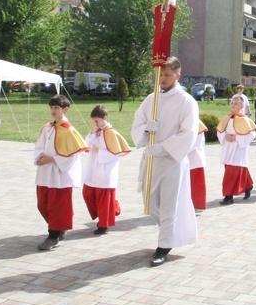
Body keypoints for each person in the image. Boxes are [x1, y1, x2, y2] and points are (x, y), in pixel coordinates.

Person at [131, 57, 199, 267]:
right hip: (152, 158)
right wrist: (145, 129)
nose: (163, 79)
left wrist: (165, 146)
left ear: (178, 75)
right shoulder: (151, 99)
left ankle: (163, 246)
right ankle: (172, 233)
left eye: (167, 75)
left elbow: (188, 132)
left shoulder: (186, 101)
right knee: (150, 204)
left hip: (171, 160)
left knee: (169, 205)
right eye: (160, 75)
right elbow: (138, 123)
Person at [34, 95, 87, 251]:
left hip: (59, 174)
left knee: (57, 206)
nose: (53, 111)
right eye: (51, 107)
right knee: (42, 204)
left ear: (65, 109)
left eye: (56, 108)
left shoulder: (69, 131)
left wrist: (53, 159)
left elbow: (72, 155)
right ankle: (58, 228)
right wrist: (40, 157)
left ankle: (53, 236)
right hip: (45, 172)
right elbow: (39, 146)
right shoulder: (47, 127)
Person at [82, 104, 130, 235]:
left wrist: (99, 151)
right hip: (93, 168)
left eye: (97, 120)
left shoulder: (111, 133)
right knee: (87, 193)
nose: (95, 123)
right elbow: (85, 144)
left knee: (104, 198)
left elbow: (116, 153)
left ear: (105, 118)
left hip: (105, 170)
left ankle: (104, 224)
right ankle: (112, 209)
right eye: (93, 121)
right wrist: (92, 131)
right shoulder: (95, 131)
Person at [217, 94, 256, 205]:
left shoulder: (245, 119)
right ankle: (248, 185)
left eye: (236, 103)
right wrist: (224, 136)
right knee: (235, 170)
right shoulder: (227, 118)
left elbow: (251, 134)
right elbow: (220, 131)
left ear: (241, 105)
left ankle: (228, 196)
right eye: (232, 103)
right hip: (228, 148)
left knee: (232, 172)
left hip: (238, 149)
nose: (233, 105)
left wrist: (237, 138)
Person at [187, 121, 208, 211]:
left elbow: (195, 142)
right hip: (183, 157)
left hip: (195, 158)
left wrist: (179, 149)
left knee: (195, 184)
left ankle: (197, 205)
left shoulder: (197, 124)